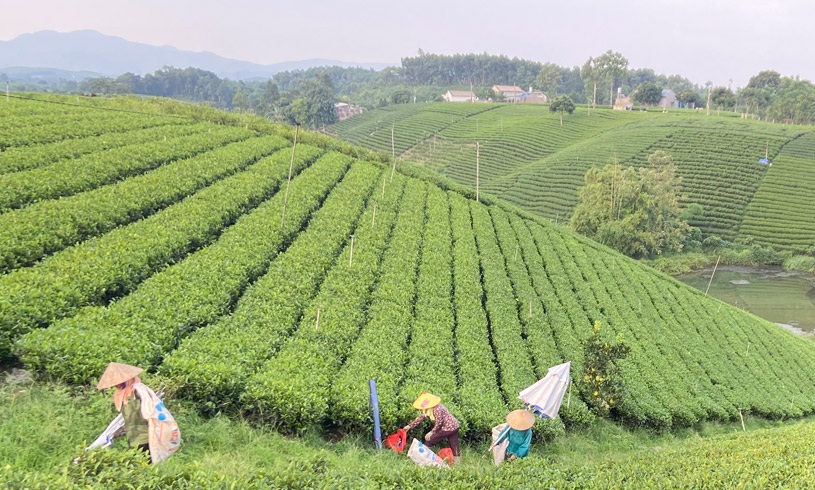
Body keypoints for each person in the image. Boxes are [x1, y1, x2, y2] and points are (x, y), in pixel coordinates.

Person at [96, 362, 181, 464]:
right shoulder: (122, 396)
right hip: (133, 438)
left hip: (145, 437)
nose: (116, 385)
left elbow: (148, 410)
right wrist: (120, 431)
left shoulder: (138, 391)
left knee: (145, 465)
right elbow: (128, 418)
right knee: (139, 465)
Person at [403, 392, 460, 462]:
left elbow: (439, 422)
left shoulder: (437, 409)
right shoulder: (428, 409)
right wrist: (409, 426)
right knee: (455, 447)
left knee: (429, 440)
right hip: (454, 426)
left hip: (448, 427)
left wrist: (432, 432)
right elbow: (421, 417)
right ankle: (457, 465)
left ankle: (422, 459)